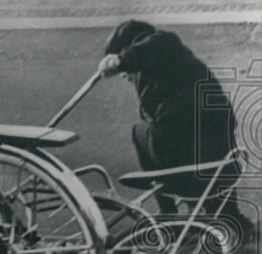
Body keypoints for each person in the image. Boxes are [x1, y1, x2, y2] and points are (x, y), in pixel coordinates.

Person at [97, 20, 252, 233]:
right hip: (220, 147)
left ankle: (168, 212)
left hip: (190, 146)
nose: (124, 77)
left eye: (125, 72)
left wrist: (121, 60)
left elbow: (159, 42)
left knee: (139, 132)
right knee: (207, 163)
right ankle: (228, 215)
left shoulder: (162, 45)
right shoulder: (176, 62)